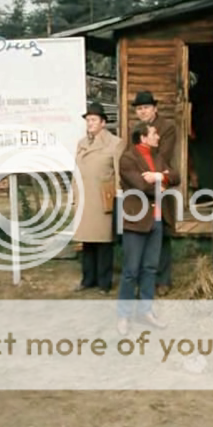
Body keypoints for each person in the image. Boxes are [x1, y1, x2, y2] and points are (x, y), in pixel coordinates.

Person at [117, 122, 180, 336]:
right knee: (131, 271)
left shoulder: (157, 156)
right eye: (154, 134)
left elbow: (176, 176)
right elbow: (141, 186)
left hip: (157, 221)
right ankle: (124, 315)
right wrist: (161, 183)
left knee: (150, 268)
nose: (158, 137)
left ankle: (145, 312)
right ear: (143, 137)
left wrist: (159, 177)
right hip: (136, 221)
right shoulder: (127, 158)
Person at [72, 102, 125, 293]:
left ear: (103, 122)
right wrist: (74, 194)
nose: (90, 123)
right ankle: (88, 279)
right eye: (88, 120)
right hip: (85, 198)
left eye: (93, 120)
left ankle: (104, 283)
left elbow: (119, 173)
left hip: (103, 198)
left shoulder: (115, 143)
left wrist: (118, 198)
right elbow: (76, 170)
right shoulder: (82, 143)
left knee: (103, 241)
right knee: (87, 240)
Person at [132, 90, 177, 297]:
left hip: (161, 180)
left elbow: (163, 155)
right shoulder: (137, 129)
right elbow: (131, 154)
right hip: (142, 183)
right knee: (144, 229)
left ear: (155, 109)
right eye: (139, 108)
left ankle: (164, 279)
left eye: (146, 108)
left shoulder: (166, 128)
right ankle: (144, 278)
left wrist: (157, 176)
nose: (142, 112)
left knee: (164, 231)